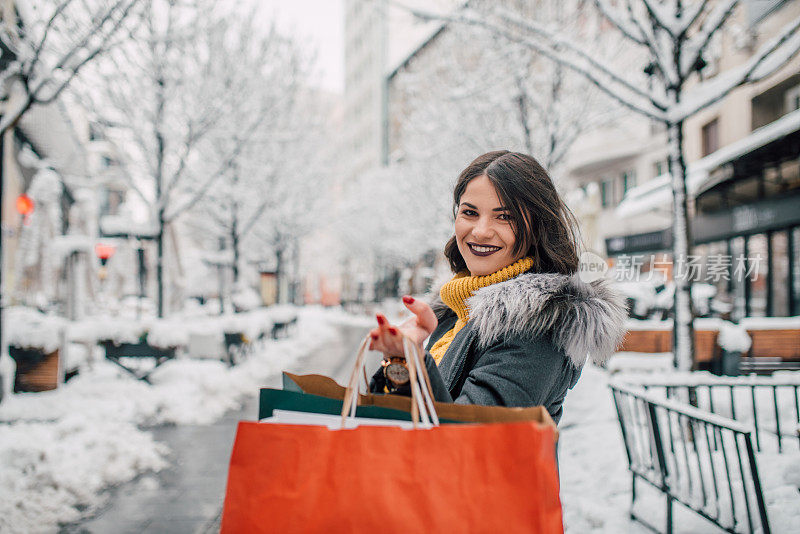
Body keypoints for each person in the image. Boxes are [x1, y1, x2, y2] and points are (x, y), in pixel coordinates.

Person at [367, 150, 626, 423]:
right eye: (470, 212)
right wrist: (399, 363)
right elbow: (395, 425)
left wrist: (414, 363)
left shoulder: (538, 327)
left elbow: (469, 441)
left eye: (504, 217)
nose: (480, 230)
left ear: (538, 227)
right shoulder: (456, 312)